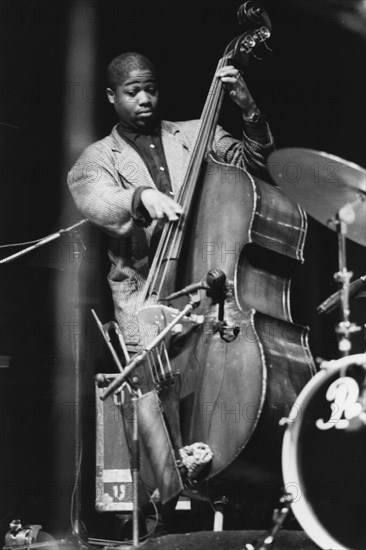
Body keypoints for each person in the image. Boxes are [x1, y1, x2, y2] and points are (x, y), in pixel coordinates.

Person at [68, 52, 274, 354]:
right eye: (132, 91)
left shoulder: (199, 133)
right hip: (146, 301)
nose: (144, 99)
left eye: (150, 89)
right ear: (112, 96)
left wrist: (250, 111)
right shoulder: (96, 158)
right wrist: (141, 197)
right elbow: (99, 201)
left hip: (213, 291)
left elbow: (257, 167)